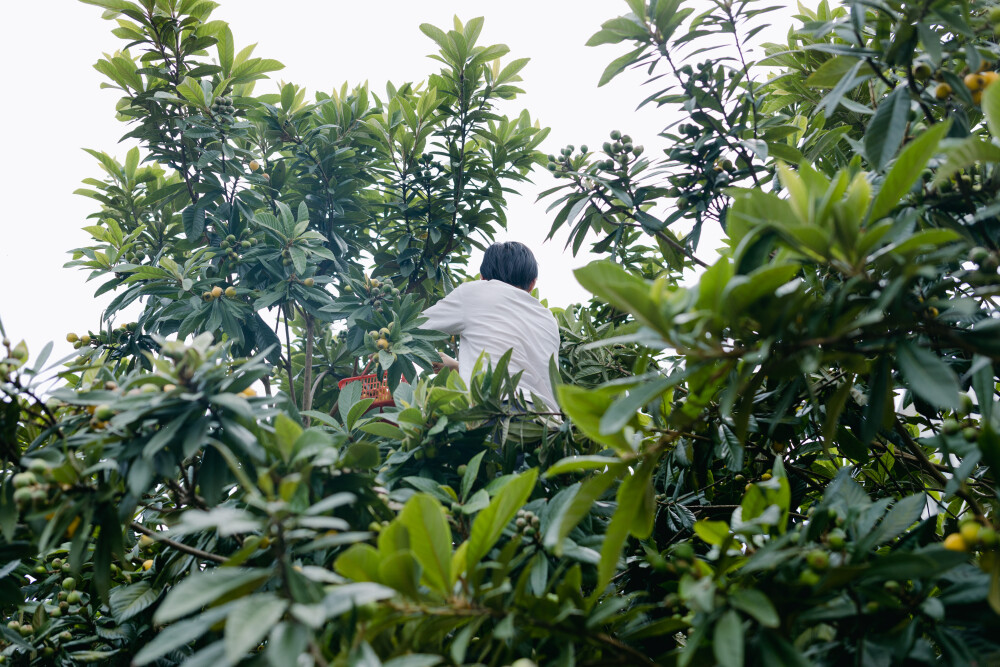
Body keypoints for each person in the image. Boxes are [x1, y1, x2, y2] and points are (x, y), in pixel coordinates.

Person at [420, 241, 560, 411]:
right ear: (532, 284)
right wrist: (457, 367)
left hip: (497, 411)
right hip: (548, 424)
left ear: (482, 278)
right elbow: (524, 371)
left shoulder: (474, 293)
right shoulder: (548, 319)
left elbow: (416, 327)